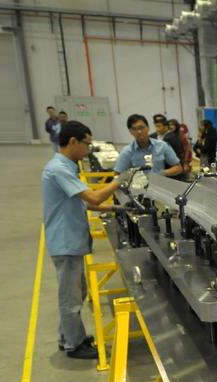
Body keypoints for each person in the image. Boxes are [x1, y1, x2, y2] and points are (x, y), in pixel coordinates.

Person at [41, 121, 122, 359]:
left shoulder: (65, 165)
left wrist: (114, 208)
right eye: (86, 144)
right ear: (74, 142)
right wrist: (121, 180)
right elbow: (93, 197)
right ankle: (75, 346)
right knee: (71, 297)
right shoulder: (59, 169)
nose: (88, 150)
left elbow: (79, 200)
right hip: (65, 242)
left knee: (77, 291)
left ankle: (67, 336)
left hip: (69, 240)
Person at [114, 114, 183, 177]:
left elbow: (178, 168)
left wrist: (162, 173)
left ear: (148, 128)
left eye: (142, 127)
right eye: (135, 129)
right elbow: (117, 175)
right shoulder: (127, 152)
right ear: (131, 132)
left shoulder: (162, 146)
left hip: (159, 186)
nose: (139, 131)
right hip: (137, 188)